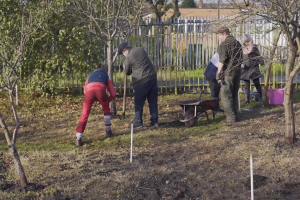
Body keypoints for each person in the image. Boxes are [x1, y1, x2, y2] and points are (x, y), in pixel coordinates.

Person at [117, 41, 158, 128]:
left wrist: (124, 67)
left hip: (141, 81)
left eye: (122, 53)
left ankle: (138, 122)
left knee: (138, 102)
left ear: (124, 50)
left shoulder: (128, 58)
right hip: (152, 77)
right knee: (152, 101)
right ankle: (155, 121)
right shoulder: (141, 49)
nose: (123, 55)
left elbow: (127, 72)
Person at [75, 64, 116, 146]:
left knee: (85, 113)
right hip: (101, 91)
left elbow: (85, 90)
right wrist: (107, 101)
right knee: (106, 110)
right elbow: (113, 94)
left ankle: (78, 137)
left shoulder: (90, 76)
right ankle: (108, 131)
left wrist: (92, 98)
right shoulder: (106, 77)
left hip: (89, 92)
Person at [216, 26, 243, 124]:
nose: (219, 37)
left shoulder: (224, 44)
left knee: (226, 96)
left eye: (219, 35)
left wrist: (218, 73)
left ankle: (230, 119)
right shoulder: (237, 43)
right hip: (237, 72)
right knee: (234, 94)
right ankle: (236, 116)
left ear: (224, 33)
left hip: (228, 73)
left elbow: (222, 60)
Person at [240, 33, 264, 104]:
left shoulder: (254, 47)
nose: (246, 43)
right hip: (245, 69)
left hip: (254, 68)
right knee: (246, 85)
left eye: (247, 41)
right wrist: (241, 64)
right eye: (244, 41)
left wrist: (263, 65)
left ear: (250, 40)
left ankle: (260, 98)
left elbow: (258, 56)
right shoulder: (242, 48)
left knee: (257, 84)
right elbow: (240, 58)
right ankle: (247, 99)